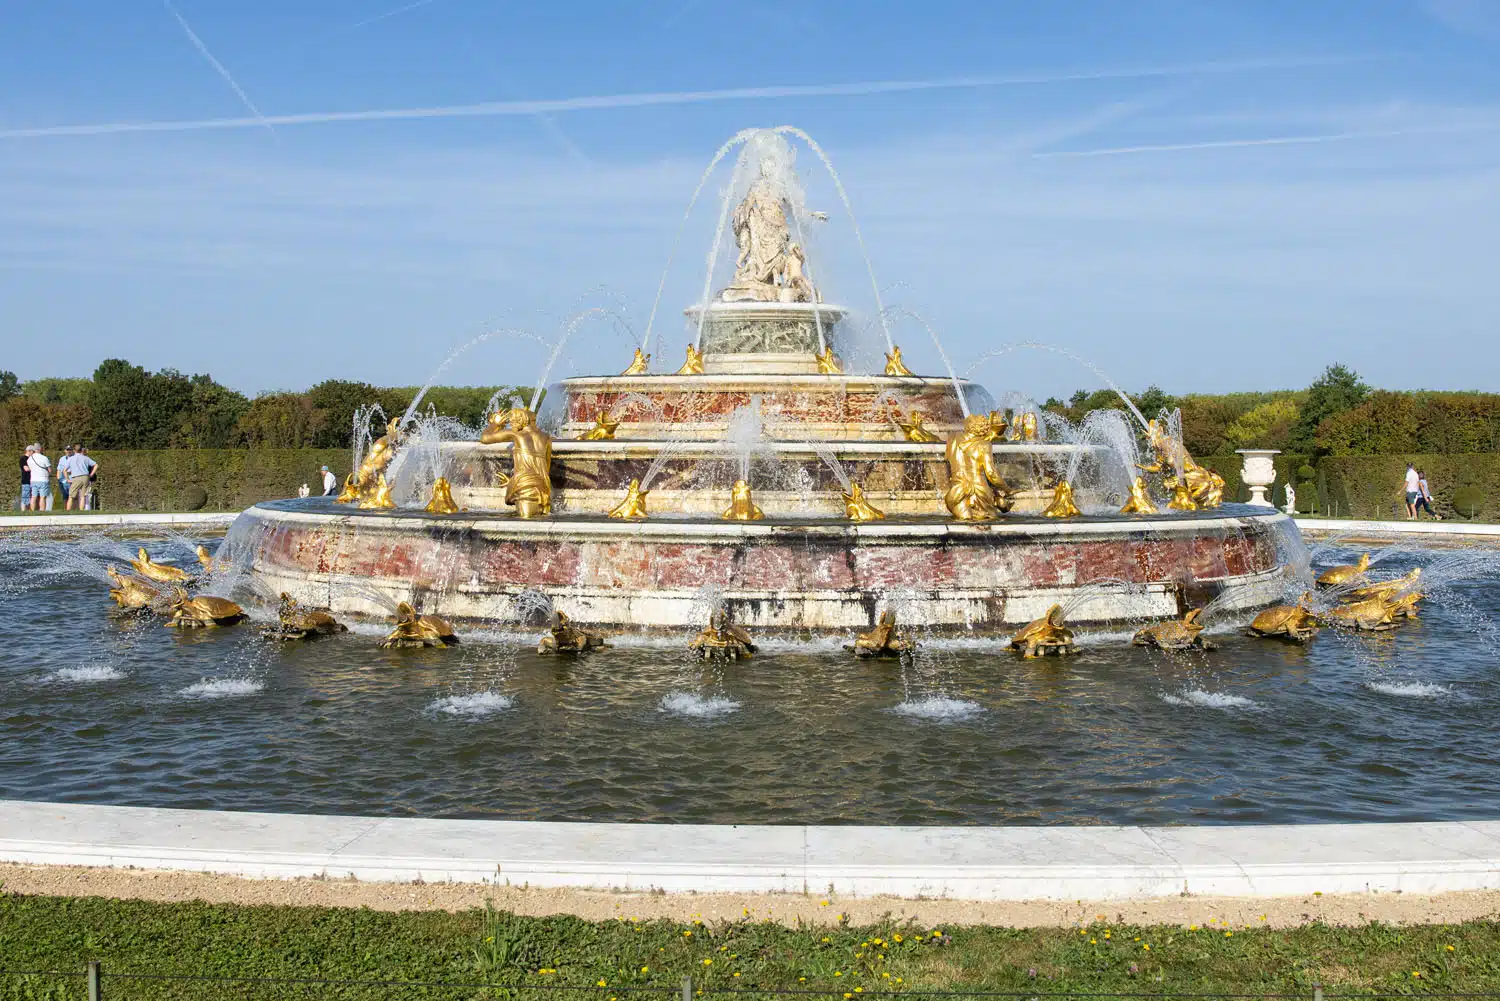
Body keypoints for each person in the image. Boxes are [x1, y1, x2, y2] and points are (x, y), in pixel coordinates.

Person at [63, 445, 96, 511]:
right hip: (85, 477)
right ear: (81, 450)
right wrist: (91, 474)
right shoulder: (85, 458)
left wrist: (67, 479)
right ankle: (81, 511)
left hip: (76, 477)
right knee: (83, 496)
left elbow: (64, 470)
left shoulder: (71, 458)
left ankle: (68, 511)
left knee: (71, 496)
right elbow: (96, 465)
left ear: (74, 451)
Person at [26, 444, 51, 511]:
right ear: (40, 449)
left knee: (33, 497)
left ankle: (32, 511)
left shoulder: (29, 459)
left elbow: (30, 468)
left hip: (33, 480)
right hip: (43, 479)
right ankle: (42, 511)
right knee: (42, 497)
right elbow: (49, 470)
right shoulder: (44, 458)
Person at [19, 446, 32, 510]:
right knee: (25, 497)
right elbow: (26, 469)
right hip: (26, 480)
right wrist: (36, 469)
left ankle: (29, 511)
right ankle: (23, 511)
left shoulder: (31, 458)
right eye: (33, 451)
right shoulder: (23, 458)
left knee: (31, 497)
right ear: (29, 451)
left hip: (32, 481)